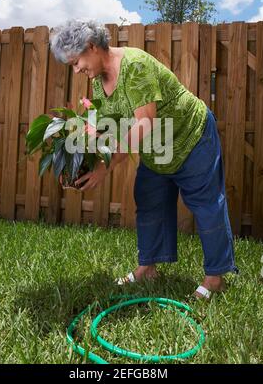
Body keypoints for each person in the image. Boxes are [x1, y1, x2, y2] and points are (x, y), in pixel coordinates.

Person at [49, 18, 238, 299]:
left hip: (190, 136)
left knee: (205, 203)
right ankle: (147, 268)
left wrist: (106, 166)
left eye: (77, 62)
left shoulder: (134, 65)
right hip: (157, 148)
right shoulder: (99, 83)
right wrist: (77, 155)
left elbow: (144, 123)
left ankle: (215, 278)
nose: (77, 70)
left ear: (91, 47)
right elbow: (108, 126)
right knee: (149, 199)